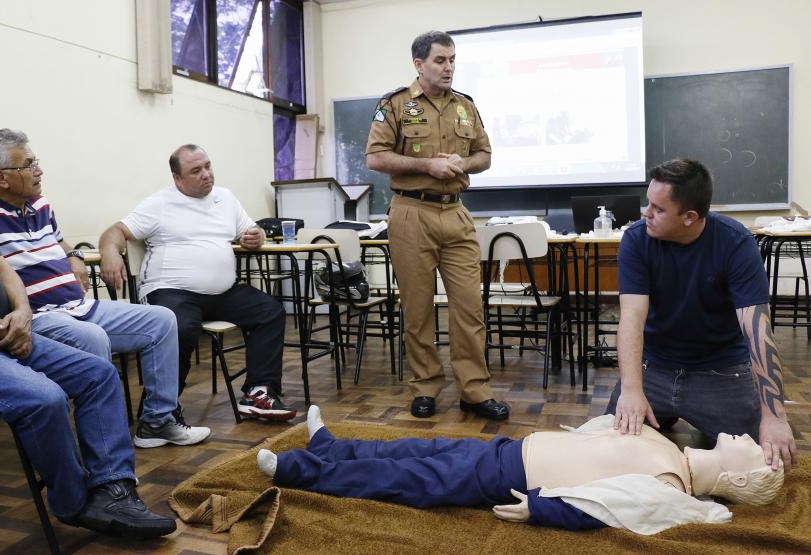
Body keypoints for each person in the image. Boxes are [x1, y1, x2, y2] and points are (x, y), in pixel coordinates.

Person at [0, 107, 174, 538]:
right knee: (43, 398)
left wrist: (22, 315)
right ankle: (76, 503)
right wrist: (3, 328)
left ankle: (115, 492)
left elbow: (5, 271)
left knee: (98, 375)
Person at [0, 129, 209, 448]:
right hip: (39, 318)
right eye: (28, 165)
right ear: (1, 177)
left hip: (80, 306)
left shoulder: (39, 204)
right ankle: (103, 450)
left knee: (162, 320)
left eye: (35, 161)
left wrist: (74, 255)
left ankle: (157, 421)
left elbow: (57, 240)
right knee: (92, 337)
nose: (39, 170)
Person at [258, 406, 784, 535]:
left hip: (500, 478)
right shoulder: (667, 442)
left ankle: (301, 470)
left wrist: (540, 508)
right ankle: (331, 445)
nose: (752, 439)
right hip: (509, 447)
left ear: (737, 479)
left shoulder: (669, 487)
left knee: (407, 478)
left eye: (755, 454)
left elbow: (602, 508)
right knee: (411, 448)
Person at [607, 158, 798, 473]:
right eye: (648, 203)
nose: (646, 213)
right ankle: (665, 416)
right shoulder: (637, 239)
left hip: (719, 371)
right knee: (609, 455)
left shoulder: (735, 242)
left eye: (658, 208)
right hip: (654, 367)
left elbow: (757, 331)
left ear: (689, 217)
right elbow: (631, 320)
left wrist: (774, 417)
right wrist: (631, 388)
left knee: (757, 467)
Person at [365, 30, 509, 420]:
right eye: (440, 61)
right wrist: (426, 165)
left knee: (469, 308)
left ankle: (474, 391)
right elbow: (376, 158)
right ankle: (425, 387)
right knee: (418, 309)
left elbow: (485, 154)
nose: (449, 68)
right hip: (411, 212)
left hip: (456, 212)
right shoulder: (394, 104)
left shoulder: (465, 106)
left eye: (452, 60)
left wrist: (465, 164)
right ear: (419, 64)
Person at [98, 145, 296, 421]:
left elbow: (251, 230)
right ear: (177, 178)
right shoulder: (160, 204)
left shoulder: (225, 198)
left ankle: (259, 392)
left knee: (270, 312)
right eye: (196, 170)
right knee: (178, 328)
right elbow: (116, 231)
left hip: (222, 293)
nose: (206, 174)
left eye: (208, 166)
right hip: (171, 291)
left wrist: (256, 237)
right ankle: (160, 411)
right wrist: (109, 252)